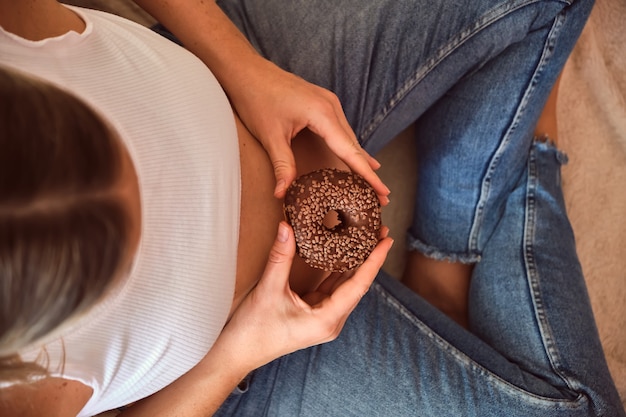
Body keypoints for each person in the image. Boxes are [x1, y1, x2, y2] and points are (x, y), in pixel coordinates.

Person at [0, 1, 623, 417]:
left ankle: (444, 260)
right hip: (258, 353)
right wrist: (240, 351)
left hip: (248, 81)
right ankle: (513, 168)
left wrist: (245, 71)